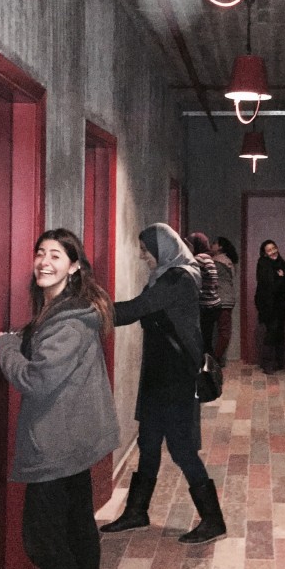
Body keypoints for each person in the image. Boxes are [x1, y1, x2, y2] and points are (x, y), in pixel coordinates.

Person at [0, 228, 120, 569]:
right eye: (40, 253)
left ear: (74, 266)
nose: (44, 261)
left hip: (59, 443)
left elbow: (37, 379)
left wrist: (5, 346)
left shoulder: (69, 320)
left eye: (56, 255)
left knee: (43, 540)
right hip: (74, 439)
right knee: (78, 528)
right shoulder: (65, 310)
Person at [100, 223, 226, 545]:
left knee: (182, 449)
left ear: (163, 248)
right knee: (148, 443)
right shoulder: (163, 277)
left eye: (146, 250)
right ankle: (136, 512)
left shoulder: (177, 279)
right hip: (159, 376)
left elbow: (134, 310)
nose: (142, 256)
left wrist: (89, 310)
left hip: (176, 378)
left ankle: (213, 520)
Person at [254, 239, 285, 374]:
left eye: (274, 248)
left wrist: (283, 279)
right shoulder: (263, 265)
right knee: (271, 332)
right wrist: (281, 279)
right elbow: (269, 287)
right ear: (265, 253)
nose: (272, 252)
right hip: (267, 305)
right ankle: (267, 364)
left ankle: (279, 362)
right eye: (269, 250)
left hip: (279, 304)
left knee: (279, 332)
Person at [188, 231, 221, 354]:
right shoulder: (208, 258)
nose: (187, 248)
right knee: (207, 340)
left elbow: (190, 280)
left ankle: (206, 365)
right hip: (213, 304)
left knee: (202, 342)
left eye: (189, 245)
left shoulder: (199, 259)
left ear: (196, 245)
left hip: (205, 305)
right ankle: (209, 364)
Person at [211, 235, 238, 365]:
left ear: (220, 247)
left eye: (214, 243)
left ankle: (215, 359)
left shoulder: (217, 262)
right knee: (224, 330)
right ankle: (217, 358)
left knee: (222, 331)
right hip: (227, 298)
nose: (212, 245)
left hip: (221, 298)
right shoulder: (228, 261)